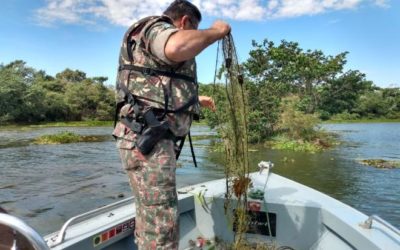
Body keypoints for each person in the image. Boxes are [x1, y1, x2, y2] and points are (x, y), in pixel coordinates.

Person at [112, 0, 230, 249]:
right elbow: (177, 46)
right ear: (185, 22)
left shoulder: (148, 43)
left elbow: (153, 89)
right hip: (147, 140)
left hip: (149, 140)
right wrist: (217, 31)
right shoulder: (155, 27)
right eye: (193, 30)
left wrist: (194, 99)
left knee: (153, 212)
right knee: (161, 220)